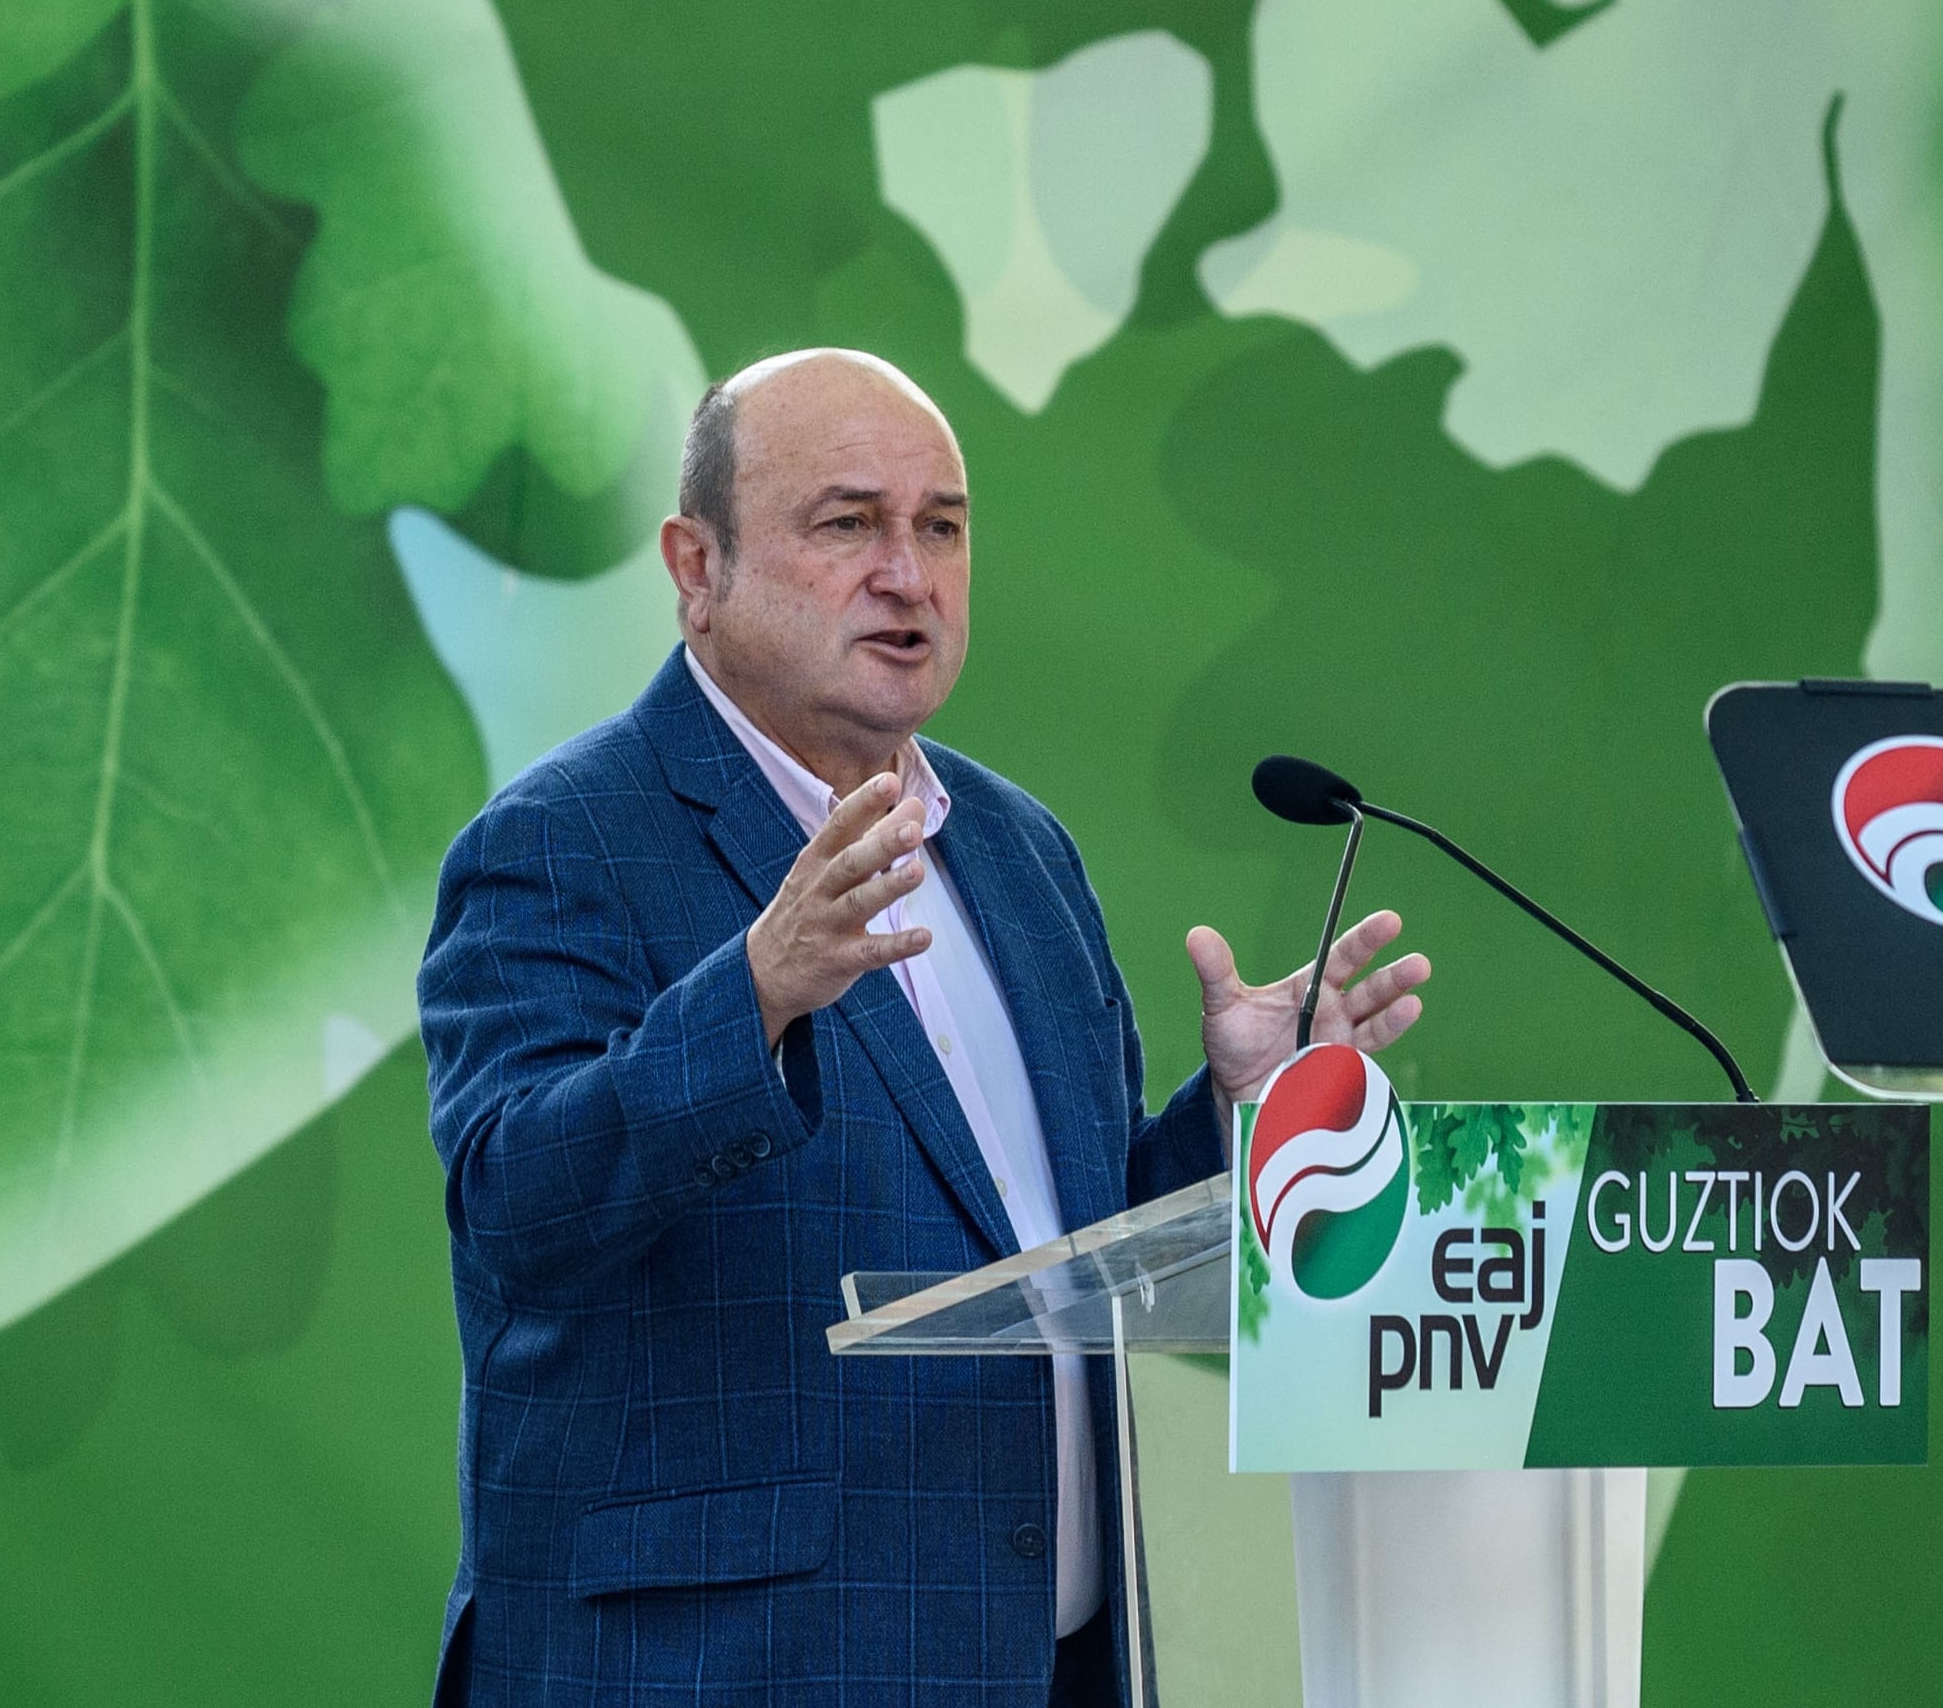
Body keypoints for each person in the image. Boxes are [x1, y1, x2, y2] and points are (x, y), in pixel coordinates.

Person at [416, 347, 1429, 1707]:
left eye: (941, 526)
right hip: (721, 1673)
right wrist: (755, 995)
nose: (908, 571)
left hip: (1045, 1659)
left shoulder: (1016, 850)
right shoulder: (563, 839)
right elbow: (513, 1211)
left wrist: (1234, 1115)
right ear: (695, 566)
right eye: (847, 522)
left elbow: (1062, 1257)